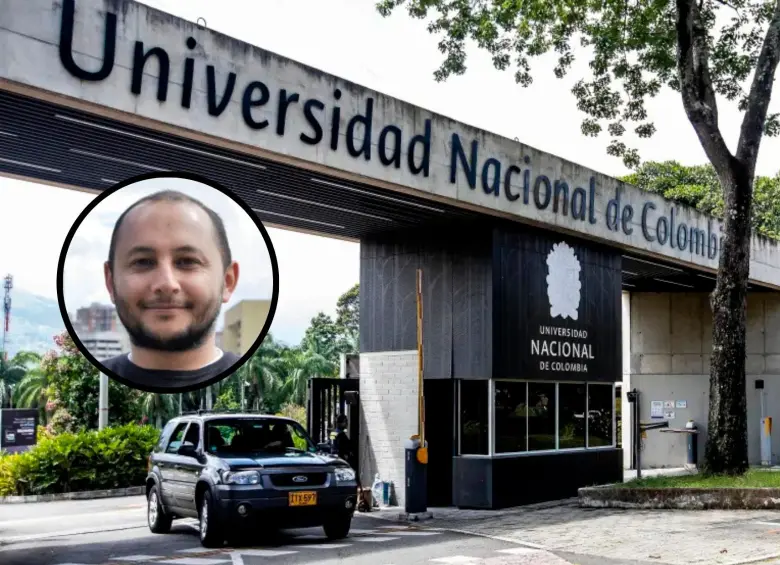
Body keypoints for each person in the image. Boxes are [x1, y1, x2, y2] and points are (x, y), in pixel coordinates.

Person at [98, 189, 241, 390]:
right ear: (111, 282)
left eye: (187, 261)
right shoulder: (96, 380)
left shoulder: (247, 381)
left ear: (228, 281)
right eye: (143, 262)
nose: (166, 284)